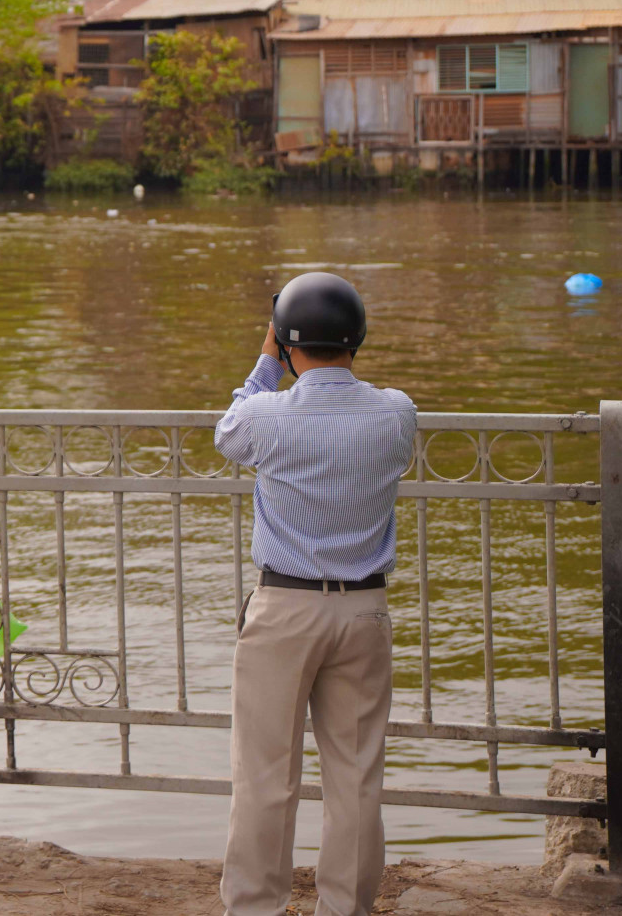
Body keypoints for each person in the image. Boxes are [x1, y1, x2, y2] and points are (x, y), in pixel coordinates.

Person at [213, 272, 417, 916]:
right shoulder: (395, 413)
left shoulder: (267, 416)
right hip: (363, 610)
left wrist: (266, 358)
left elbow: (230, 429)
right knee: (355, 781)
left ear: (288, 341)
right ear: (357, 337)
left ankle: (254, 907)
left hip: (284, 609)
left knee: (266, 777)